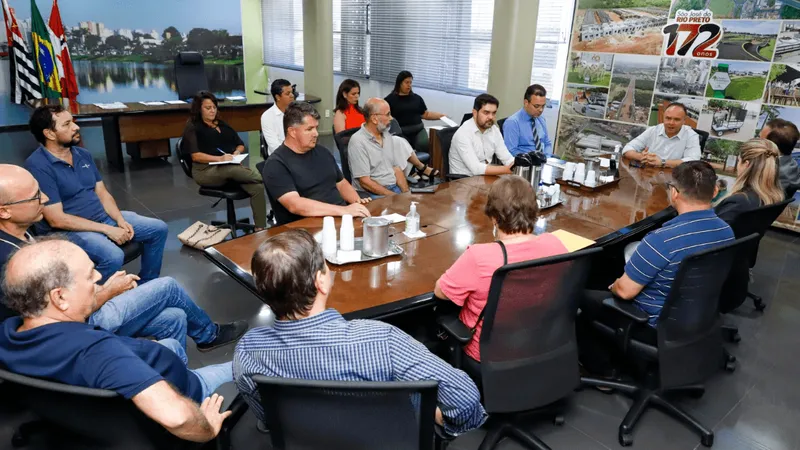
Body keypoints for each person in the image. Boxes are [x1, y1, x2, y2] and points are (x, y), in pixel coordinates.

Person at [233, 229, 486, 436]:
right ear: (321, 282)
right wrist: (437, 417)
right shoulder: (380, 340)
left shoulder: (248, 351)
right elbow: (464, 400)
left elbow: (268, 418)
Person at [0, 239, 234, 443]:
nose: (99, 277)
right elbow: (178, 418)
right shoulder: (97, 351)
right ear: (60, 297)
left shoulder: (8, 333)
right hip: (187, 395)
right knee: (246, 362)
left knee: (173, 330)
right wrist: (208, 429)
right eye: (90, 275)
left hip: (91, 418)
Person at [0, 164, 248, 350]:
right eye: (35, 197)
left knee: (175, 317)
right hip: (70, 331)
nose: (44, 199)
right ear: (5, 211)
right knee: (168, 287)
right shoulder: (9, 259)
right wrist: (107, 291)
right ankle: (208, 335)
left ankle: (175, 382)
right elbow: (57, 317)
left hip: (74, 314)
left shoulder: (22, 233)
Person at [577, 161, 734, 374]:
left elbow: (624, 292)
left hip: (653, 325)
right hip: (699, 315)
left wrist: (614, 286)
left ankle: (602, 368)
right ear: (715, 191)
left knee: (580, 296)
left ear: (674, 193)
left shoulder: (661, 239)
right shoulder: (726, 231)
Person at [25, 105, 168, 283]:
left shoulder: (82, 154)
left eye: (73, 122)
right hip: (68, 230)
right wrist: (108, 230)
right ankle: (91, 300)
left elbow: (102, 193)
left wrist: (119, 220)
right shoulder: (38, 165)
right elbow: (57, 219)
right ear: (50, 134)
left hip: (101, 219)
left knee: (158, 229)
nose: (76, 127)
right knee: (113, 256)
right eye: (67, 124)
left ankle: (147, 283)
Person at [434, 176, 568, 365]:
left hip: (487, 355)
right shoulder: (555, 244)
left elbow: (441, 292)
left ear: (494, 218)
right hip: (540, 342)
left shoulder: (479, 257)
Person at [263, 101, 371, 225]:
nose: (316, 133)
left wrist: (356, 203)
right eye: (309, 129)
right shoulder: (276, 165)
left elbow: (341, 184)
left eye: (316, 128)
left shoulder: (322, 152)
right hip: (306, 228)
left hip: (339, 219)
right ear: (292, 132)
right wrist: (344, 210)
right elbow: (295, 204)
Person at [182, 91, 269, 229]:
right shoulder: (193, 127)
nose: (212, 111)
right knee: (231, 169)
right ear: (199, 109)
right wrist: (220, 158)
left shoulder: (222, 124)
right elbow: (196, 156)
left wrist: (236, 152)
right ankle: (269, 179)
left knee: (257, 187)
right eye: (208, 108)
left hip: (229, 167)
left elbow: (240, 144)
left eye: (214, 107)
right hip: (205, 171)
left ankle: (260, 228)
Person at [348, 98, 440, 198]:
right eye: (388, 114)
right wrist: (395, 197)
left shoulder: (386, 135)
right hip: (372, 193)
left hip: (393, 188)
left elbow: (396, 169)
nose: (391, 118)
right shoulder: (358, 142)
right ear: (374, 118)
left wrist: (405, 193)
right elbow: (365, 182)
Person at [715, 139, 785, 224]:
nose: (737, 165)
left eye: (738, 161)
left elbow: (712, 234)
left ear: (746, 165)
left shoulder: (738, 201)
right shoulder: (774, 197)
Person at [449, 93, 514, 177]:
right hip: (463, 182)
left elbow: (507, 158)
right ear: (475, 113)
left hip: (484, 178)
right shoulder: (463, 133)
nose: (491, 117)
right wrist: (507, 169)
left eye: (494, 113)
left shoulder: (494, 130)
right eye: (486, 113)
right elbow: (476, 169)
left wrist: (517, 164)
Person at [621, 103, 701, 168]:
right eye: (668, 118)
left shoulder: (691, 136)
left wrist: (662, 162)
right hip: (649, 175)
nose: (671, 123)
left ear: (684, 121)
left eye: (676, 119)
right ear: (663, 118)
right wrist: (642, 157)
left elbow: (693, 161)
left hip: (674, 179)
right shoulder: (653, 130)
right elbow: (627, 148)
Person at [384, 71, 446, 153]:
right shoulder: (390, 100)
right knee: (404, 148)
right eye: (406, 82)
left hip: (418, 130)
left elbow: (425, 114)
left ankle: (424, 164)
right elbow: (385, 117)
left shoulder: (417, 98)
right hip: (401, 132)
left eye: (410, 82)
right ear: (399, 83)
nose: (409, 85)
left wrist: (442, 116)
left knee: (424, 144)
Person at [502, 84, 553, 156]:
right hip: (525, 162)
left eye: (543, 106)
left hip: (543, 160)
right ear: (526, 103)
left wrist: (547, 157)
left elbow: (547, 143)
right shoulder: (512, 122)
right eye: (536, 106)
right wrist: (533, 160)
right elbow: (511, 151)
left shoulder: (541, 119)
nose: (541, 110)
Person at [760, 118, 800, 197]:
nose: (756, 141)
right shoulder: (791, 164)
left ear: (771, 146)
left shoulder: (772, 174)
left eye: (760, 139)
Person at [261, 79, 295, 155]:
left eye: (292, 92)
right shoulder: (267, 117)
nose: (292, 96)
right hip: (279, 157)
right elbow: (274, 147)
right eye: (287, 93)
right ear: (278, 97)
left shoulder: (298, 112)